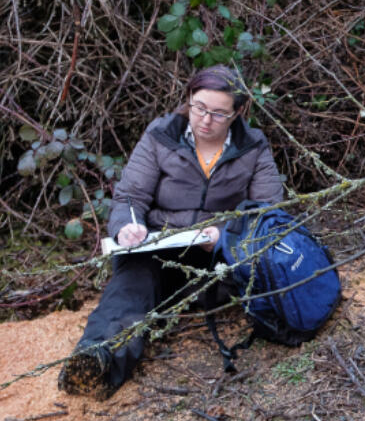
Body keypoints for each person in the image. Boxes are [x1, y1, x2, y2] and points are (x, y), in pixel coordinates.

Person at [59, 65, 284, 398]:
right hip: (160, 249)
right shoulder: (161, 134)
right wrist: (127, 227)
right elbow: (129, 196)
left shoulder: (253, 146)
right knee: (130, 290)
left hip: (220, 257)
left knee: (256, 279)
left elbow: (268, 212)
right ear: (189, 100)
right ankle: (98, 360)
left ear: (238, 112)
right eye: (199, 107)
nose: (205, 120)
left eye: (218, 114)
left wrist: (224, 234)